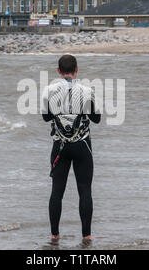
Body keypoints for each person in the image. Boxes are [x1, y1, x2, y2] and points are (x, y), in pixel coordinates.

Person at [42, 54, 101, 243]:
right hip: (82, 145)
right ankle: (86, 236)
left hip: (59, 147)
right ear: (76, 70)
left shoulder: (49, 90)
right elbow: (96, 119)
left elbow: (46, 118)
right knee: (85, 190)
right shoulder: (87, 90)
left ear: (58, 71)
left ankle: (54, 236)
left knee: (56, 192)